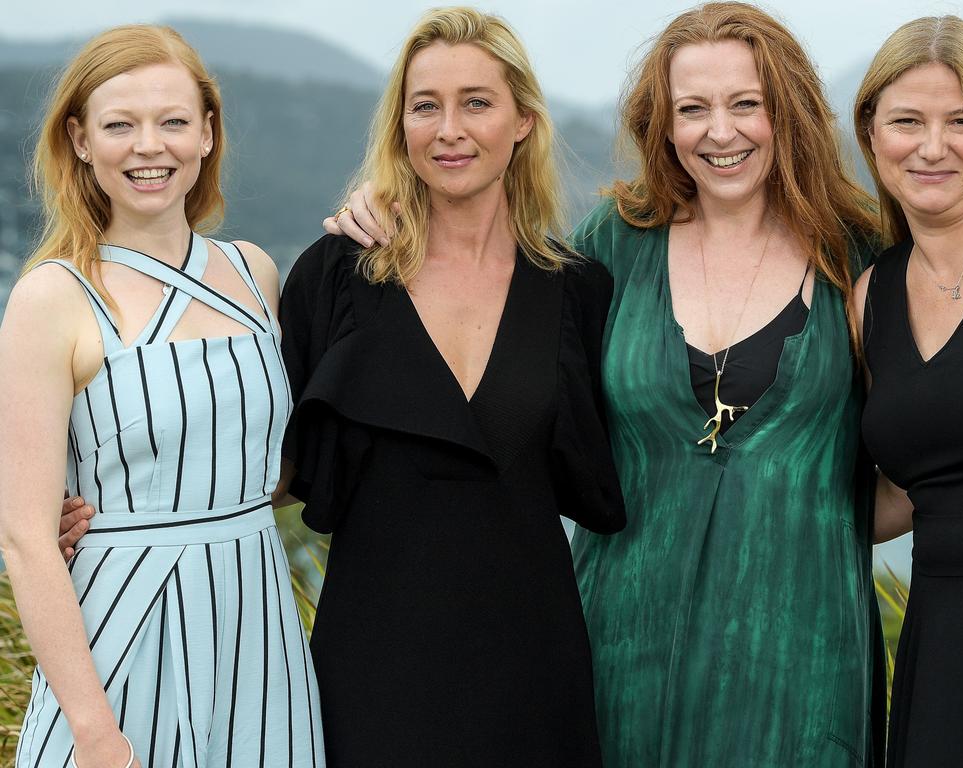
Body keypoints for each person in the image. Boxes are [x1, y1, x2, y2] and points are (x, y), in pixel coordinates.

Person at [335, 3, 884, 765]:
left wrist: (811, 505)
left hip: (800, 662)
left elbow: (922, 448)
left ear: (786, 111)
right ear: (663, 124)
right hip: (620, 652)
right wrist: (390, 205)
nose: (719, 132)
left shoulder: (860, 258)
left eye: (745, 104)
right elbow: (490, 354)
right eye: (692, 109)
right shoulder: (609, 250)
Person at [279, 7, 625, 767]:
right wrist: (114, 516)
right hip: (373, 662)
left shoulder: (580, 292)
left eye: (477, 102)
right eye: (425, 105)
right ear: (399, 124)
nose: (449, 129)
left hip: (533, 664)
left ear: (524, 121)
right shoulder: (335, 275)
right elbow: (271, 466)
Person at [0, 25, 324, 768]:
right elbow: (23, 536)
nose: (150, 146)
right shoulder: (53, 296)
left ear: (208, 133)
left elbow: (263, 474)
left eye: (173, 121)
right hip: (120, 630)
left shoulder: (254, 274)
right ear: (80, 141)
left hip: (257, 625)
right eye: (120, 125)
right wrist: (95, 732)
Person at [853, 16, 963, 768]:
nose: (931, 146)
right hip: (948, 627)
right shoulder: (871, 297)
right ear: (871, 135)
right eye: (906, 122)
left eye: (961, 121)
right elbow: (904, 494)